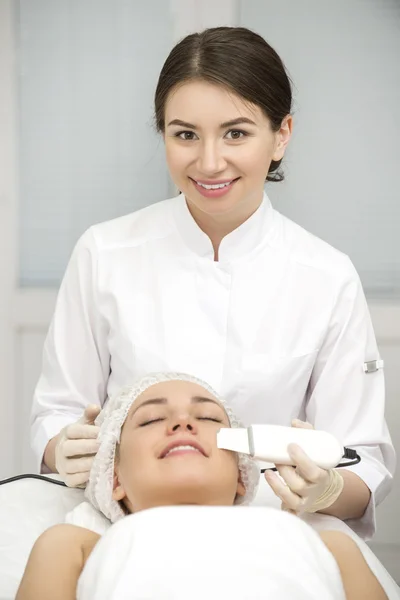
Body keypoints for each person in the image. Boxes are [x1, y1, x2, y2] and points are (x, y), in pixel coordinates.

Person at [31, 26, 395, 539]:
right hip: (133, 529)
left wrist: (329, 489)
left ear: (282, 135)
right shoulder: (104, 252)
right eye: (185, 134)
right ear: (163, 135)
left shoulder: (327, 276)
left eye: (236, 133)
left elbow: (364, 458)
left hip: (275, 531)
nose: (208, 162)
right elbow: (59, 411)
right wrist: (61, 446)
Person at [19, 374, 395, 600]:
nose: (183, 422)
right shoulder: (71, 544)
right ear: (113, 477)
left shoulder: (327, 544)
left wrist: (330, 491)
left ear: (242, 474)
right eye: (150, 419)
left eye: (208, 417)